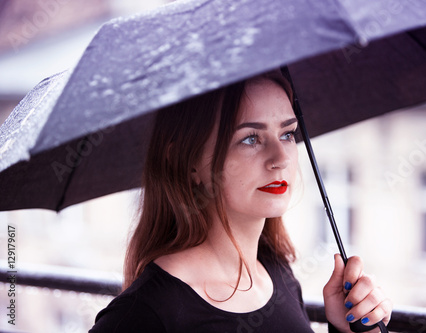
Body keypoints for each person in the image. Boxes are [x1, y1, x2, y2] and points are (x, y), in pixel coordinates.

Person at [89, 71, 392, 332]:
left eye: (287, 134)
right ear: (188, 161)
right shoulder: (145, 314)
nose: (280, 158)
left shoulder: (277, 272)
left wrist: (349, 331)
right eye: (250, 138)